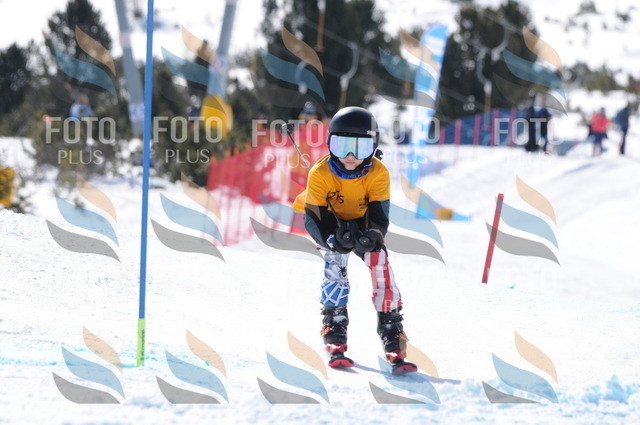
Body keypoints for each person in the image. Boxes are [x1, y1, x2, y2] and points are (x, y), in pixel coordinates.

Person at [293, 107, 417, 375]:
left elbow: (379, 215)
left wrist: (373, 234)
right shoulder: (320, 173)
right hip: (331, 222)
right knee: (335, 262)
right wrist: (330, 237)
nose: (350, 157)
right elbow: (313, 217)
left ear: (373, 147)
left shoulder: (378, 173)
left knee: (380, 261)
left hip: (363, 223)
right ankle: (334, 322)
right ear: (330, 144)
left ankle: (391, 327)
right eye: (342, 147)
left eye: (360, 149)